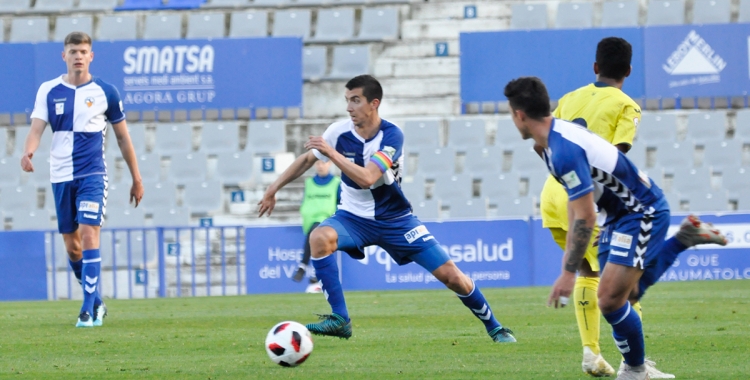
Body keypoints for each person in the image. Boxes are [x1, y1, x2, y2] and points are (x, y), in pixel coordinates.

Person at [258, 75, 515, 342]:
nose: (349, 107)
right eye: (347, 100)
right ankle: (340, 319)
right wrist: (273, 188)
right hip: (353, 218)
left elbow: (368, 177)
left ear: (374, 103)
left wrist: (332, 154)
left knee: (452, 277)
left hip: (396, 219)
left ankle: (495, 327)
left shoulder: (391, 135)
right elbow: (308, 158)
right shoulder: (338, 132)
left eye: (355, 100)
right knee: (319, 237)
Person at [503, 76, 726, 380]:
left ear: (519, 115)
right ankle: (684, 239)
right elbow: (576, 205)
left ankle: (635, 370)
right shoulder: (551, 144)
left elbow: (584, 216)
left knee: (609, 300)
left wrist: (568, 273)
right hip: (617, 213)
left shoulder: (563, 149)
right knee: (625, 296)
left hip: (641, 209)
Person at [539, 37, 670, 378]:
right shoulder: (627, 105)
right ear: (628, 70)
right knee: (620, 281)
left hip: (554, 196)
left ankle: (591, 354)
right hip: (588, 198)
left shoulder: (568, 99)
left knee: (587, 273)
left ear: (595, 67)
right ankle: (635, 363)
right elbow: (615, 157)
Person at [22, 32, 144, 328]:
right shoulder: (48, 90)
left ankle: (87, 311)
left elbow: (123, 137)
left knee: (90, 234)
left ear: (91, 56)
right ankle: (98, 302)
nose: (78, 55)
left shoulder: (106, 92)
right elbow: (37, 128)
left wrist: (136, 178)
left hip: (92, 173)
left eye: (83, 51)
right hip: (61, 175)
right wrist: (28, 152)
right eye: (73, 51)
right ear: (63, 56)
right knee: (72, 246)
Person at [292, 160, 341, 293]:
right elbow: (306, 201)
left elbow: (340, 202)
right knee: (315, 236)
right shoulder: (309, 183)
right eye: (318, 163)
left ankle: (303, 265)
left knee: (316, 233)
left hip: (328, 220)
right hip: (311, 220)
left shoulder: (336, 182)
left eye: (323, 163)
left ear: (330, 163)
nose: (320, 166)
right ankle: (315, 273)